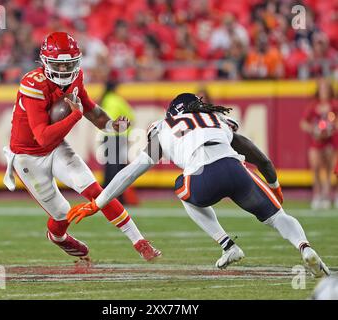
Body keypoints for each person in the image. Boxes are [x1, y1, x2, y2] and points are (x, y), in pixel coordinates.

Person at [67, 93, 330, 277]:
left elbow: (130, 173)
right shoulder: (218, 120)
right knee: (278, 217)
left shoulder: (163, 127)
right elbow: (260, 157)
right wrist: (273, 185)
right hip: (236, 169)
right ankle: (305, 247)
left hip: (202, 177)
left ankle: (227, 245)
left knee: (182, 190)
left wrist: (98, 203)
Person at [2, 32, 161, 263]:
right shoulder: (33, 84)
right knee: (62, 213)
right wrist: (74, 116)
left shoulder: (76, 78)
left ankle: (140, 242)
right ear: (45, 62)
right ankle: (57, 237)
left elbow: (89, 108)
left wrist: (110, 125)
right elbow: (43, 137)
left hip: (56, 147)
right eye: (60, 64)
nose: (66, 70)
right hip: (28, 156)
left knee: (98, 191)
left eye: (69, 64)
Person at [99, 79, 138, 205]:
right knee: (118, 169)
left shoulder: (105, 100)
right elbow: (130, 116)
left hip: (108, 136)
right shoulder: (116, 99)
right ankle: (117, 198)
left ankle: (105, 196)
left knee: (110, 168)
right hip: (118, 137)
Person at [300, 79, 338, 209]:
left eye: (326, 89)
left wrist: (332, 128)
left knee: (330, 169)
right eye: (322, 89)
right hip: (316, 141)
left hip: (331, 140)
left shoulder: (334, 105)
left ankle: (327, 195)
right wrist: (314, 129)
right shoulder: (313, 105)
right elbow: (304, 123)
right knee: (315, 167)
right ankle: (317, 194)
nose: (324, 92)